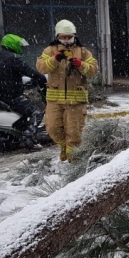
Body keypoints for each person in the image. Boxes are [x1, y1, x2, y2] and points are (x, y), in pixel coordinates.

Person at [36, 20, 98, 162]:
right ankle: (64, 148)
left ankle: (74, 161)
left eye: (68, 36)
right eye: (63, 37)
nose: (66, 39)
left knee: (74, 133)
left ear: (74, 36)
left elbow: (93, 70)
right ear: (58, 36)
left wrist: (80, 64)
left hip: (76, 101)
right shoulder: (49, 51)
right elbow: (41, 67)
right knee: (52, 128)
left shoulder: (83, 51)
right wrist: (55, 58)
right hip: (54, 100)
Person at [0, 34, 47, 149]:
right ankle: (29, 138)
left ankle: (21, 130)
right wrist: (41, 79)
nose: (21, 48)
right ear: (13, 45)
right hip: (12, 96)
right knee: (37, 112)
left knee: (24, 112)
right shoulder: (13, 59)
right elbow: (30, 71)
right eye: (19, 45)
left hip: (1, 95)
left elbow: (8, 76)